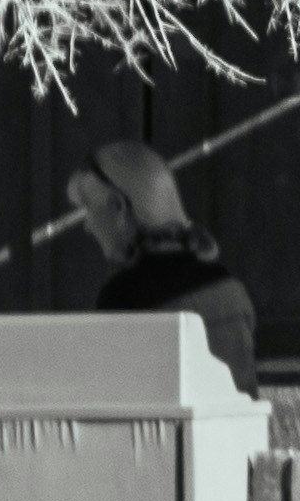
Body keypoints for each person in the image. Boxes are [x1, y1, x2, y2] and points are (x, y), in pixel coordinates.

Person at [68, 137, 260, 391]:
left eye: (88, 209)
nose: (87, 225)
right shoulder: (230, 290)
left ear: (119, 207)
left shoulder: (123, 298)